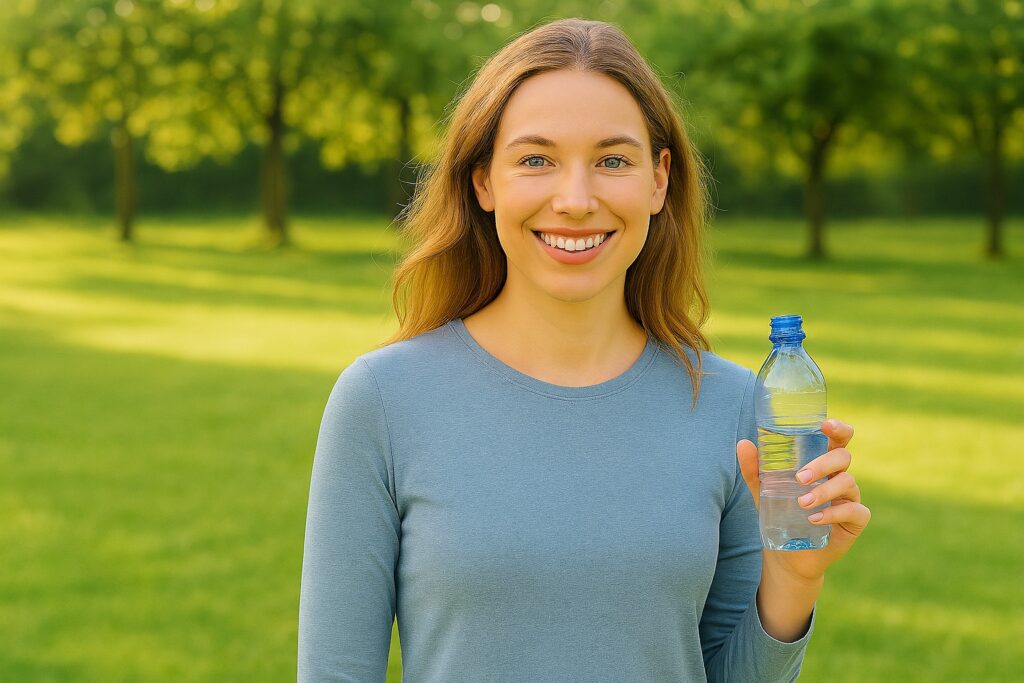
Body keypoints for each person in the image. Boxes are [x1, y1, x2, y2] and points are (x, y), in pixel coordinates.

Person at [298, 17, 870, 683]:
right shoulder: (383, 401)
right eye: (536, 160)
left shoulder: (736, 405)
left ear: (658, 180)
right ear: (484, 182)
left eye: (612, 161)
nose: (575, 200)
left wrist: (794, 580)